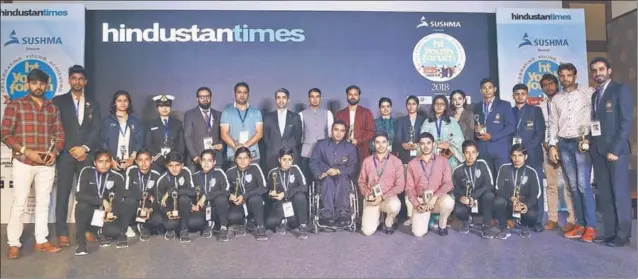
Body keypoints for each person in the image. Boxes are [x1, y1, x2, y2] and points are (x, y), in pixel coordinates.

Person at [2, 69, 65, 259]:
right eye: (34, 83)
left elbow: (60, 134)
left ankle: (41, 240)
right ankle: (14, 243)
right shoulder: (16, 105)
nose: (38, 87)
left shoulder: (52, 108)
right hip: (24, 161)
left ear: (47, 85)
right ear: (28, 84)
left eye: (42, 83)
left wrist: (55, 152)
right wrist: (25, 151)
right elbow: (5, 133)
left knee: (43, 203)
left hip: (46, 164)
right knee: (19, 203)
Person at [52, 65, 102, 247]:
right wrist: (71, 148)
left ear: (85, 82)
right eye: (74, 78)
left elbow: (97, 128)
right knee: (63, 194)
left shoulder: (93, 104)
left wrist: (85, 148)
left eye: (81, 79)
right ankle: (62, 233)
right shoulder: (59, 102)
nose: (77, 81)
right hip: (65, 154)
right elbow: (55, 128)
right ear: (69, 80)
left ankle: (88, 229)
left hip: (86, 155)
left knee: (88, 194)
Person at [548, 63, 598, 242]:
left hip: (580, 143)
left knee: (584, 186)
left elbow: (596, 117)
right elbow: (553, 123)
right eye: (562, 76)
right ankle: (581, 224)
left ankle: (591, 227)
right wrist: (552, 145)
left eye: (569, 75)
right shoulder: (556, 99)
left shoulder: (588, 93)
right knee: (573, 187)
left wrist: (590, 138)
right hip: (564, 144)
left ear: (575, 76)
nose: (565, 79)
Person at [589, 57, 633, 247]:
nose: (598, 73)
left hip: (616, 152)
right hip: (598, 151)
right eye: (594, 70)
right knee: (605, 194)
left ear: (609, 70)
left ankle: (623, 235)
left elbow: (626, 123)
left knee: (620, 194)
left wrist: (615, 149)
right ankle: (609, 232)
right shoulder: (595, 95)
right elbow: (595, 124)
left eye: (601, 69)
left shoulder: (620, 89)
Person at [74, 148, 131, 255]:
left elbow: (120, 199)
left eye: (107, 161)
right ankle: (81, 243)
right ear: (95, 163)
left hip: (107, 214)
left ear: (111, 162)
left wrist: (111, 211)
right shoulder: (86, 172)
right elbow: (79, 195)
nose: (104, 165)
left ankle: (104, 233)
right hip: (91, 211)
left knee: (115, 231)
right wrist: (100, 201)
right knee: (81, 206)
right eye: (100, 161)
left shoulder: (117, 177)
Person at [539, 73, 576, 232]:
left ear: (557, 84)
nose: (549, 87)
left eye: (551, 83)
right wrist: (546, 144)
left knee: (569, 184)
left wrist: (558, 144)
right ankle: (552, 218)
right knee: (551, 185)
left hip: (565, 145)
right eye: (545, 85)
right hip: (547, 148)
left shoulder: (565, 101)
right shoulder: (541, 106)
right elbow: (540, 128)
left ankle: (572, 219)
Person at [405, 132, 454, 237]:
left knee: (449, 202)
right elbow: (409, 188)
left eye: (428, 143)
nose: (426, 146)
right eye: (422, 143)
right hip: (421, 201)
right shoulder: (412, 164)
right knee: (418, 233)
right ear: (418, 145)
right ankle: (423, 218)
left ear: (433, 144)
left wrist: (435, 197)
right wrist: (416, 204)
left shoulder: (443, 161)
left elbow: (448, 183)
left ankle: (442, 224)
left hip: (437, 200)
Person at [309, 120, 358, 227]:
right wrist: (319, 174)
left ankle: (342, 213)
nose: (339, 133)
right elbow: (313, 162)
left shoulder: (350, 148)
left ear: (345, 133)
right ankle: (328, 214)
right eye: (336, 130)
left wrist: (339, 171)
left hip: (342, 176)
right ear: (331, 130)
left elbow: (353, 167)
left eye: (342, 131)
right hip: (325, 175)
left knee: (342, 180)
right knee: (327, 181)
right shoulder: (321, 144)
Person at [511, 84, 546, 232]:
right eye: (517, 94)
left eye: (523, 93)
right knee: (516, 189)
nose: (520, 96)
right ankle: (519, 219)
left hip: (532, 154)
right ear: (513, 95)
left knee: (536, 188)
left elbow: (540, 133)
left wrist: (525, 150)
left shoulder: (535, 110)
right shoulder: (509, 111)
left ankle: (538, 221)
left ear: (527, 95)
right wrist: (516, 153)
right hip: (515, 157)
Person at [358, 132, 404, 236]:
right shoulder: (367, 161)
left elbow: (400, 186)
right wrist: (366, 193)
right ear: (373, 144)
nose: (381, 145)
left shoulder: (396, 161)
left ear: (388, 143)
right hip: (372, 198)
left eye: (383, 142)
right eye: (377, 142)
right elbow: (361, 181)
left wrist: (382, 197)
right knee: (367, 232)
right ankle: (378, 218)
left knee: (395, 205)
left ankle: (389, 221)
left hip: (388, 198)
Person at [493, 144, 541, 240]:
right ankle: (504, 227)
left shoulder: (531, 172)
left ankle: (523, 225)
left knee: (532, 215)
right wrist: (511, 198)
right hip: (508, 202)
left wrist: (525, 205)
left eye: (520, 155)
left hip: (522, 203)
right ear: (511, 156)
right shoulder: (504, 168)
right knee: (498, 201)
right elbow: (498, 188)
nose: (517, 159)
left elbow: (536, 194)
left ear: (525, 156)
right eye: (514, 155)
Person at [473, 78, 515, 180]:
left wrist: (492, 136)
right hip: (483, 149)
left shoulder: (504, 105)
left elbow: (511, 127)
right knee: (486, 180)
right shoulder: (477, 106)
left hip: (500, 148)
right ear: (480, 90)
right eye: (484, 88)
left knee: (503, 180)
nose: (487, 90)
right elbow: (475, 126)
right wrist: (476, 131)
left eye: (490, 87)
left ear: (495, 89)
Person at [394, 95, 426, 225]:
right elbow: (396, 140)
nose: (411, 106)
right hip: (405, 157)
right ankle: (404, 214)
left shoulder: (424, 120)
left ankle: (419, 212)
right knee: (405, 186)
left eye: (414, 104)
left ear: (417, 106)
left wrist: (418, 145)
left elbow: (427, 138)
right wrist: (403, 145)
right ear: (406, 106)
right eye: (409, 104)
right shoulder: (401, 121)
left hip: (419, 157)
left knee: (419, 186)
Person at [453, 140, 495, 238]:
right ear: (463, 154)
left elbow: (489, 185)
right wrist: (460, 197)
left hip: (481, 201)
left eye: (473, 152)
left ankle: (486, 225)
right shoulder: (458, 170)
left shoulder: (482, 164)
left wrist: (473, 196)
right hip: (467, 203)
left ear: (477, 153)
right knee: (458, 210)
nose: (470, 155)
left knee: (489, 195)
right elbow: (455, 190)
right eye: (467, 152)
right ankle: (467, 220)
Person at [265, 147, 309, 239]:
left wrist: (285, 194)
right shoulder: (273, 173)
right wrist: (271, 195)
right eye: (284, 159)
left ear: (293, 160)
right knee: (270, 223)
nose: (287, 162)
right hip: (279, 204)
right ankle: (284, 221)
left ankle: (302, 226)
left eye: (289, 159)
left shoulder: (296, 169)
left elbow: (304, 187)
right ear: (279, 159)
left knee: (300, 196)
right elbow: (267, 193)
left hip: (293, 203)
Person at [226, 147, 269, 241]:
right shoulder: (230, 172)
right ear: (235, 159)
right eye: (239, 158)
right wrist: (230, 196)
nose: (242, 161)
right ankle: (246, 223)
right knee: (232, 217)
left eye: (245, 158)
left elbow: (264, 188)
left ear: (250, 159)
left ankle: (260, 226)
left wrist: (245, 195)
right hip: (238, 204)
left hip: (252, 203)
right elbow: (226, 190)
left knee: (255, 198)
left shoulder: (255, 168)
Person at [220, 82, 263, 168]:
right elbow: (224, 134)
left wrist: (246, 145)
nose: (242, 95)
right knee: (235, 181)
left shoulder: (256, 112)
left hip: (252, 156)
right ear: (234, 93)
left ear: (248, 94)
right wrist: (237, 147)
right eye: (239, 92)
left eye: (245, 92)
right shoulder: (227, 112)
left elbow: (259, 133)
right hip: (234, 155)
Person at [156, 152, 197, 243]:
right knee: (167, 223)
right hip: (170, 210)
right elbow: (159, 201)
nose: (174, 169)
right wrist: (167, 212)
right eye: (171, 165)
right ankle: (172, 228)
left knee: (185, 199)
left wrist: (171, 192)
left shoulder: (186, 172)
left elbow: (193, 191)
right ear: (166, 165)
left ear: (182, 165)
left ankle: (183, 230)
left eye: (177, 165)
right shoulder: (162, 179)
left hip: (184, 208)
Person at [192, 149, 231, 242]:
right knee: (192, 223)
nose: (206, 163)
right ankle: (209, 224)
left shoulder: (219, 173)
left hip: (217, 208)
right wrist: (192, 205)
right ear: (200, 161)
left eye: (209, 160)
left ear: (214, 162)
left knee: (221, 198)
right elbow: (191, 193)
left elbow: (226, 191)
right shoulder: (195, 176)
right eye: (203, 160)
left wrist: (206, 196)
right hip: (203, 209)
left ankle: (223, 227)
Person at [123, 148, 162, 242]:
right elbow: (125, 192)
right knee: (130, 201)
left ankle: (142, 225)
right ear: (136, 161)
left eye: (147, 160)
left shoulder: (156, 175)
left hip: (147, 208)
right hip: (134, 205)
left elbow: (157, 199)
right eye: (140, 160)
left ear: (151, 160)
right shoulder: (130, 171)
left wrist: (150, 209)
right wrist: (146, 195)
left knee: (159, 219)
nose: (143, 163)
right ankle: (127, 225)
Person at [100, 90, 144, 173]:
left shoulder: (135, 122)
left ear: (129, 103)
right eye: (119, 101)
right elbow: (103, 143)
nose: (123, 103)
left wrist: (131, 159)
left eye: (125, 100)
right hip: (112, 163)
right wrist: (111, 161)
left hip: (130, 163)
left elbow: (139, 142)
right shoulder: (107, 121)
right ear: (114, 103)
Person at [335, 85, 375, 169]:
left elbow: (371, 131)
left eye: (355, 94)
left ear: (359, 96)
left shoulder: (366, 112)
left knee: (361, 174)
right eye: (350, 94)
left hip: (362, 149)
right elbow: (336, 132)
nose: (353, 97)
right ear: (347, 96)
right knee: (344, 174)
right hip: (344, 150)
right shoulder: (340, 114)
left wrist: (358, 141)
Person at [184, 87, 224, 170]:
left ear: (211, 98)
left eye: (207, 96)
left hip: (215, 158)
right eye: (202, 97)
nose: (205, 99)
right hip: (196, 159)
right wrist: (195, 156)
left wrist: (221, 145)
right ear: (197, 99)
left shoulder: (219, 114)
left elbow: (223, 135)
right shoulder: (189, 114)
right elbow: (188, 136)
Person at [263, 88, 302, 172]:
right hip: (272, 156)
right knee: (273, 183)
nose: (281, 100)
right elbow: (266, 139)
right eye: (278, 97)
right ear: (275, 100)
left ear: (288, 100)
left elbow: (298, 138)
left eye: (284, 97)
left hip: (290, 157)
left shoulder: (295, 117)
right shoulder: (268, 117)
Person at [299, 88, 334, 183]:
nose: (315, 99)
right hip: (307, 153)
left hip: (324, 154)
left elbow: (331, 134)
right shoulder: (301, 114)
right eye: (312, 97)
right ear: (308, 99)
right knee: (307, 179)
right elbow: (300, 135)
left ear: (321, 98)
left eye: (317, 96)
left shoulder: (328, 113)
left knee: (323, 179)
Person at [421, 95, 465, 170]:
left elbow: (460, 140)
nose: (439, 106)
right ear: (433, 106)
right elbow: (422, 141)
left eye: (442, 104)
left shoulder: (452, 121)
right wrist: (436, 145)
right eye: (437, 103)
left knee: (448, 179)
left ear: (445, 107)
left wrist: (449, 145)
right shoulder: (427, 122)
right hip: (431, 157)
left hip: (449, 157)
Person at [145, 94, 185, 173]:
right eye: (161, 106)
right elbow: (148, 144)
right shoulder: (151, 124)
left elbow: (181, 144)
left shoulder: (178, 123)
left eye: (167, 106)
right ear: (157, 108)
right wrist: (159, 158)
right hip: (156, 161)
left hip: (174, 162)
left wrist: (174, 158)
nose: (164, 108)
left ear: (170, 108)